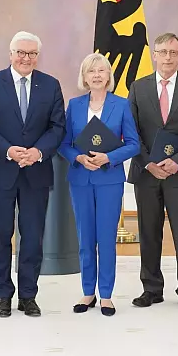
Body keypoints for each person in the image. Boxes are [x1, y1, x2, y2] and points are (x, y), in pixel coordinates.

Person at [0, 31, 66, 318]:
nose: (26, 58)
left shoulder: (50, 85)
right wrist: (8, 150)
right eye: (21, 53)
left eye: (32, 53)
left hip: (36, 172)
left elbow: (57, 128)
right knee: (0, 235)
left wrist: (37, 152)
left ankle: (28, 295)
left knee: (33, 237)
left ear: (38, 56)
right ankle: (2, 294)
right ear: (11, 54)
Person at [127, 32, 178, 311]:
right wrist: (147, 162)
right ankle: (151, 289)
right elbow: (131, 131)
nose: (168, 57)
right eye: (163, 52)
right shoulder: (138, 88)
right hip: (146, 173)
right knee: (148, 233)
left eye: (173, 52)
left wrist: (177, 162)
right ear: (154, 55)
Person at [58, 53, 139, 316]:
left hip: (109, 180)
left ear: (108, 76)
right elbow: (64, 144)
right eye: (91, 71)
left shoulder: (122, 105)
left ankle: (106, 295)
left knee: (106, 239)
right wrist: (79, 157)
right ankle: (87, 292)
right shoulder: (75, 105)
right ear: (84, 76)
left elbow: (134, 144)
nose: (96, 75)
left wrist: (108, 158)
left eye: (101, 70)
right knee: (85, 239)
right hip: (81, 179)